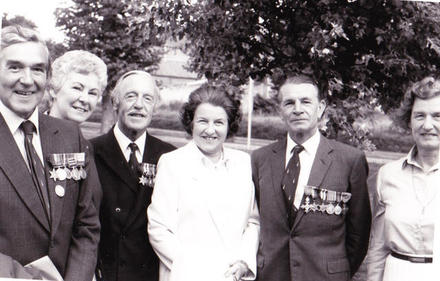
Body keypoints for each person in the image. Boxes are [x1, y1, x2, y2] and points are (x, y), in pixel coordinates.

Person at [0, 25, 100, 280]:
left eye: (37, 69)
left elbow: (86, 225)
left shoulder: (69, 136)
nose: (27, 79)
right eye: (15, 67)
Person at [251, 74, 371, 281]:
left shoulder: (350, 160)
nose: (298, 109)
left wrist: (335, 272)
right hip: (271, 275)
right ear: (281, 110)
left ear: (321, 107)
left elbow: (359, 234)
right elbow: (255, 221)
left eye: (306, 101)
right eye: (289, 103)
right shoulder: (260, 159)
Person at [147, 84, 260, 281]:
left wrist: (244, 262)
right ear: (191, 123)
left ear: (229, 125)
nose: (210, 130)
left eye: (218, 122)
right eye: (202, 121)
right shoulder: (172, 163)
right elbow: (159, 228)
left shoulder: (243, 163)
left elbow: (252, 221)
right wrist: (197, 271)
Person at [91, 70, 175, 281]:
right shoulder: (90, 151)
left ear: (155, 107)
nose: (139, 105)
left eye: (147, 98)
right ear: (115, 103)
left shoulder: (171, 157)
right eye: (131, 96)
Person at [367, 76, 440, 281]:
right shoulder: (388, 175)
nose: (427, 125)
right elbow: (378, 247)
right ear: (409, 120)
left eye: (437, 116)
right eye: (419, 116)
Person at [43, 50, 107, 124]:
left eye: (92, 93)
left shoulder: (78, 135)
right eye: (77, 88)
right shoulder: (32, 133)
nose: (85, 99)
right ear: (53, 89)